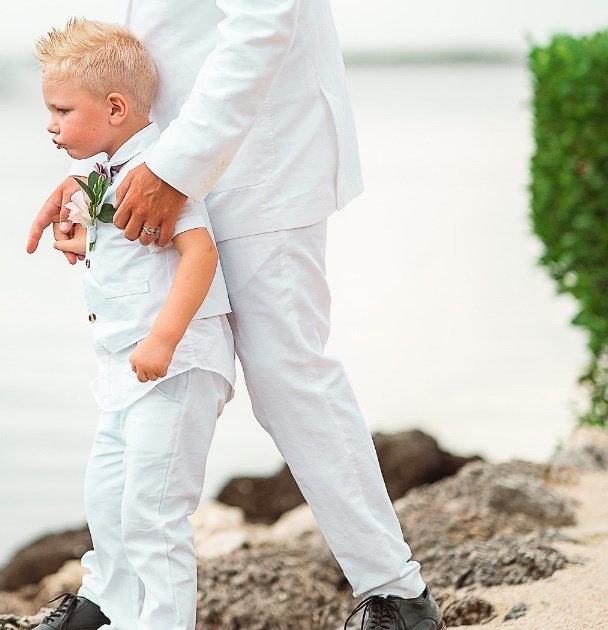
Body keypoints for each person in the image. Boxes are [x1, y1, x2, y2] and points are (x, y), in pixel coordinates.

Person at [25, 2, 445, 630]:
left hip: (260, 164)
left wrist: (175, 165)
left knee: (286, 374)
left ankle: (395, 592)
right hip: (159, 164)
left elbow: (262, 22)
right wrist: (103, 178)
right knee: (127, 381)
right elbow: (148, 45)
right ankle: (111, 599)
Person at [28, 18, 237, 630]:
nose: (51, 125)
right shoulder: (101, 175)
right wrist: (81, 240)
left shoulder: (162, 171)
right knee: (108, 501)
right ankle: (114, 610)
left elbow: (200, 254)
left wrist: (163, 339)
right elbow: (122, 249)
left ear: (115, 107)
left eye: (62, 111)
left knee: (152, 510)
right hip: (121, 368)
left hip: (174, 364)